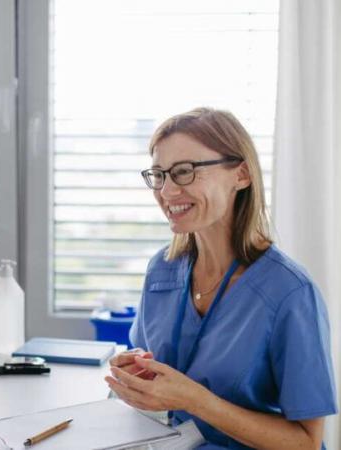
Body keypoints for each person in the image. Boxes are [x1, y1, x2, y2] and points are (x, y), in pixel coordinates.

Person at [105, 108, 337, 449]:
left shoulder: (290, 293)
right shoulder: (162, 270)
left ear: (241, 175)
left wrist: (193, 399)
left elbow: (306, 441)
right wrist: (134, 372)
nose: (167, 192)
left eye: (184, 172)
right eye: (159, 174)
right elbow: (150, 364)